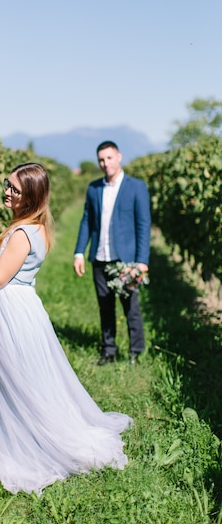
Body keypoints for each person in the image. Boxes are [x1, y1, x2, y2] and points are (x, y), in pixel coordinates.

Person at [0, 162, 133, 496]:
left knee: (15, 379)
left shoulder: (22, 232)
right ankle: (24, 435)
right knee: (20, 378)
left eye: (14, 189)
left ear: (30, 196)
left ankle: (27, 446)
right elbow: (8, 270)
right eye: (7, 184)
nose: (7, 191)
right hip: (19, 306)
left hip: (10, 310)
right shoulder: (33, 227)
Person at [73, 141, 151, 366]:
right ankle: (109, 350)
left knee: (131, 306)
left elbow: (143, 225)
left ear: (119, 157)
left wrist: (141, 261)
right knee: (105, 306)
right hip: (100, 258)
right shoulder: (94, 188)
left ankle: (136, 351)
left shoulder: (136, 187)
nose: (105, 163)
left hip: (126, 260)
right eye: (101, 159)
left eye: (108, 158)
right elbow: (87, 220)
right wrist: (79, 252)